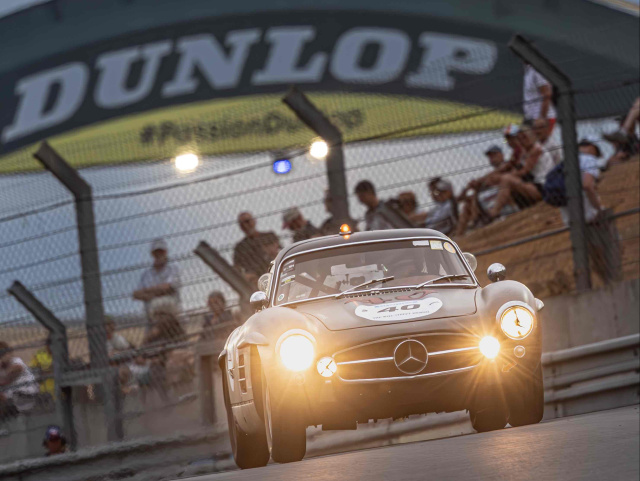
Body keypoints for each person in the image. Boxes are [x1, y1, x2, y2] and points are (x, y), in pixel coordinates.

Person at [487, 123, 555, 219]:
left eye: (524, 137)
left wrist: (507, 176)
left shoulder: (536, 149)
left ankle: (495, 212)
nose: (522, 140)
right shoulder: (522, 152)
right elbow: (513, 168)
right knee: (506, 179)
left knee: (507, 179)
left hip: (544, 187)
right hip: (534, 184)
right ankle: (511, 210)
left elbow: (524, 171)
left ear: (532, 136)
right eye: (520, 138)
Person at [456, 146, 516, 236]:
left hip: (505, 195)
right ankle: (460, 235)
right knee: (468, 203)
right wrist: (469, 188)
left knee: (476, 195)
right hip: (491, 195)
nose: (492, 158)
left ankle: (478, 221)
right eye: (490, 156)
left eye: (494, 155)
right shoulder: (491, 174)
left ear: (502, 155)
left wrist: (480, 181)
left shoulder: (507, 165)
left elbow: (499, 174)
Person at [133, 238, 181, 323]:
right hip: (151, 314)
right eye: (156, 252)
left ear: (165, 252)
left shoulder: (173, 268)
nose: (158, 254)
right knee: (154, 308)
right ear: (152, 254)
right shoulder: (146, 274)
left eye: (161, 252)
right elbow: (136, 294)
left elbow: (168, 287)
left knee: (158, 305)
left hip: (171, 311)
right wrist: (159, 291)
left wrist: (148, 293)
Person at [233, 212, 281, 286]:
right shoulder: (240, 247)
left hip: (275, 273)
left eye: (247, 221)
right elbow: (237, 268)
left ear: (254, 221)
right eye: (242, 224)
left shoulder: (269, 236)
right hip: (256, 281)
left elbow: (278, 252)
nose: (245, 226)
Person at [0, 341, 38, 420]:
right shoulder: (2, 368)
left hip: (25, 395)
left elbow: (14, 371)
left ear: (9, 353)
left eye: (3, 354)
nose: (2, 358)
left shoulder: (16, 361)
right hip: (12, 399)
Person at [523, 63, 556, 133]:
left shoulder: (537, 71)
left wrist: (542, 118)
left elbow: (547, 94)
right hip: (532, 118)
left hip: (542, 119)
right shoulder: (529, 70)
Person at [29, 335, 55, 400]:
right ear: (47, 345)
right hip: (45, 392)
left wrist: (47, 371)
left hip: (60, 391)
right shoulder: (39, 354)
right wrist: (49, 372)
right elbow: (33, 372)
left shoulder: (62, 354)